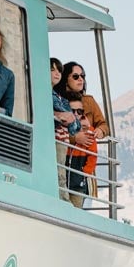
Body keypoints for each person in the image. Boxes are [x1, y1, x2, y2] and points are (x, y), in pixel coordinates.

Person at [55, 61, 110, 143]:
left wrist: (100, 131)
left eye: (82, 76)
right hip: (63, 151)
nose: (80, 79)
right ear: (65, 79)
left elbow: (104, 125)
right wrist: (74, 138)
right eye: (75, 76)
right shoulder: (56, 100)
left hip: (86, 152)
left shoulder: (89, 101)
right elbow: (52, 129)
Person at [51, 58, 80, 202]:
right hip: (54, 138)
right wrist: (61, 115)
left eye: (59, 70)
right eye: (52, 70)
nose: (56, 73)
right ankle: (63, 199)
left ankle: (63, 198)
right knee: (58, 171)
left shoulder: (60, 98)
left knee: (61, 170)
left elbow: (75, 128)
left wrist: (68, 117)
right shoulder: (48, 96)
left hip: (63, 140)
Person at [65, 94, 98, 208]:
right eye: (72, 111)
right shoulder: (63, 128)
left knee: (76, 207)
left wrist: (85, 172)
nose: (76, 114)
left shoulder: (89, 132)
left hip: (78, 180)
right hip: (64, 178)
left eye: (79, 111)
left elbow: (93, 155)